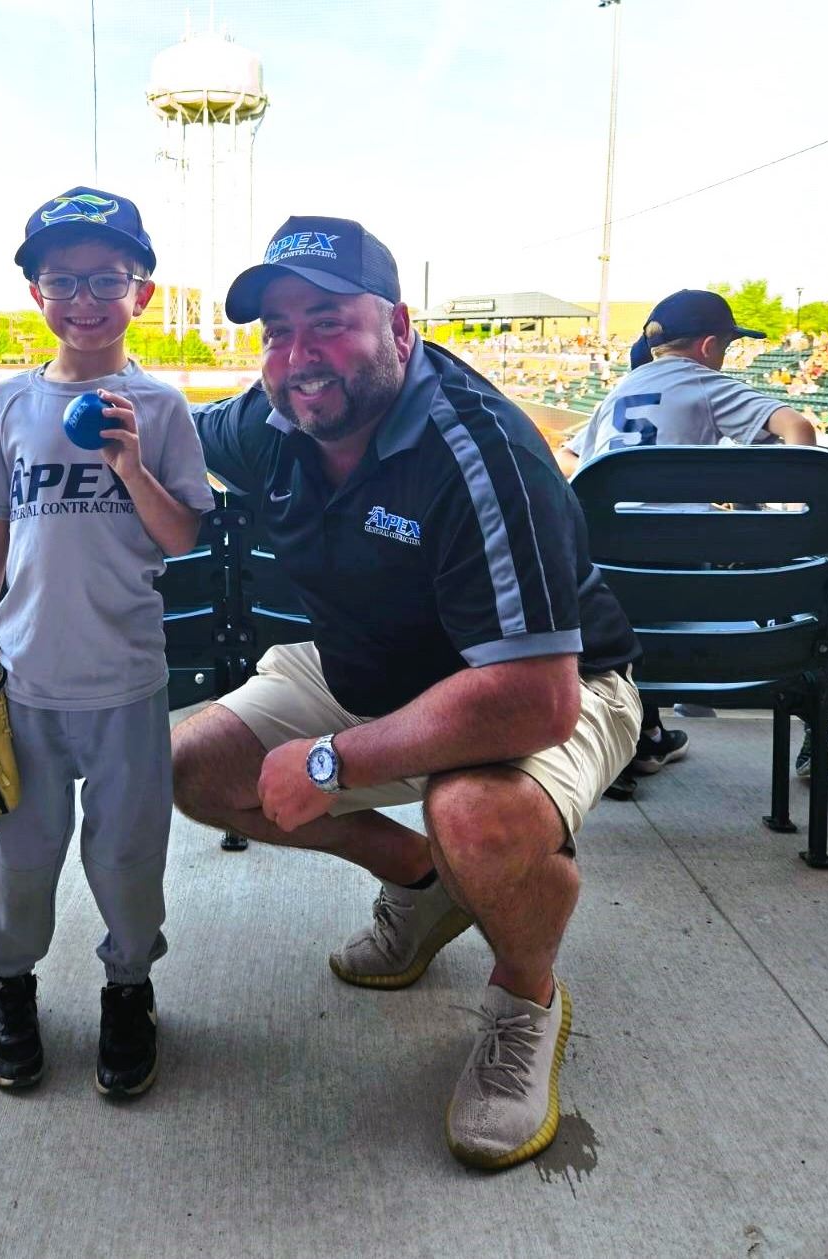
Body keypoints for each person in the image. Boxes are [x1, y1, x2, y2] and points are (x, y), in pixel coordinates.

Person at [174, 215, 641, 1169]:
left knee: (472, 809)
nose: (299, 355)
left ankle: (525, 1000)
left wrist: (330, 758)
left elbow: (533, 700)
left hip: (549, 683)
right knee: (192, 767)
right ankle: (424, 884)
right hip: (363, 670)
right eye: (275, 330)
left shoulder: (479, 450)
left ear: (397, 324)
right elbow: (166, 427)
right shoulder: (272, 417)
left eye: (328, 320)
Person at [0, 186, 215, 1097]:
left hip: (127, 678)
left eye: (109, 278)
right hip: (26, 679)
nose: (86, 298)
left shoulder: (162, 405)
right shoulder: (11, 404)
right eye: (62, 279)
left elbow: (181, 536)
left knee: (128, 850)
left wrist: (131, 465)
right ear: (35, 291)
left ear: (142, 292)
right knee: (21, 853)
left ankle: (128, 985)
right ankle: (10, 982)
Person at [559, 290, 819, 776]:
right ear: (706, 347)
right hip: (709, 612)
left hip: (616, 611)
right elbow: (798, 428)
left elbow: (568, 460)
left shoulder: (619, 391)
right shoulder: (704, 382)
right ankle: (822, 724)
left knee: (634, 592)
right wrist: (769, 505)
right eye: (726, 344)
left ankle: (643, 735)